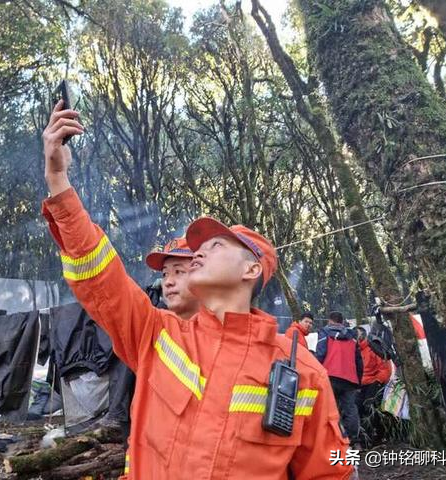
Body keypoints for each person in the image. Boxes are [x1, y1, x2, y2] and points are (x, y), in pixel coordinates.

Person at [40, 101, 354, 479]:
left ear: (252, 269)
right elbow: (100, 277)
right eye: (199, 249)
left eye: (217, 246)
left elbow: (332, 470)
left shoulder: (304, 373)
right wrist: (59, 181)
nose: (200, 251)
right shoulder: (158, 336)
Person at [316, 312, 363, 447]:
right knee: (350, 409)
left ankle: (334, 442)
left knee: (330, 409)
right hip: (350, 378)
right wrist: (358, 381)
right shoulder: (352, 337)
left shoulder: (325, 332)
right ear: (342, 321)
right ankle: (354, 442)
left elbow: (320, 354)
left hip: (330, 376)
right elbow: (359, 361)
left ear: (330, 321)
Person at [355, 327, 391, 445]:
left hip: (374, 382)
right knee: (356, 407)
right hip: (360, 384)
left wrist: (378, 381)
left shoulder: (374, 347)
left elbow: (384, 368)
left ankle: (379, 434)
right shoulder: (354, 350)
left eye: (357, 334)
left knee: (370, 406)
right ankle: (364, 436)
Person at [146, 237, 199, 319]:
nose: (168, 282)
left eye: (178, 271)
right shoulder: (155, 325)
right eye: (165, 274)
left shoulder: (221, 326)